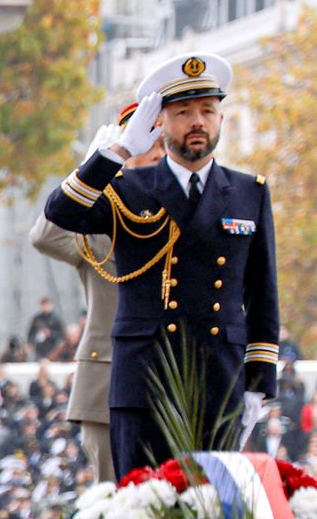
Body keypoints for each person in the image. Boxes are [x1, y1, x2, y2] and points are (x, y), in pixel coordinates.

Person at [43, 52, 278, 475]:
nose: (197, 122)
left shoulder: (249, 192)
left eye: (208, 110)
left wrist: (258, 386)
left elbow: (262, 296)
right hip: (144, 377)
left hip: (218, 381)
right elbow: (61, 214)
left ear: (222, 119)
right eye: (183, 112)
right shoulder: (128, 186)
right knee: (142, 514)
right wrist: (115, 152)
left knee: (210, 518)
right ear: (161, 123)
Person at [31, 102, 167, 483]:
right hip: (108, 382)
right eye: (145, 151)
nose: (156, 160)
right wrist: (92, 171)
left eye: (163, 151)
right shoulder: (101, 224)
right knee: (116, 502)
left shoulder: (188, 216)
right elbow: (45, 235)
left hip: (178, 378)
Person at [27, 296, 65, 361]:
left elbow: (61, 334)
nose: (46, 307)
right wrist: (31, 343)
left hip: (53, 348)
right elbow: (31, 333)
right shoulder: (37, 318)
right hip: (39, 348)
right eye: (44, 305)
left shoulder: (56, 319)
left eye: (48, 304)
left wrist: (50, 334)